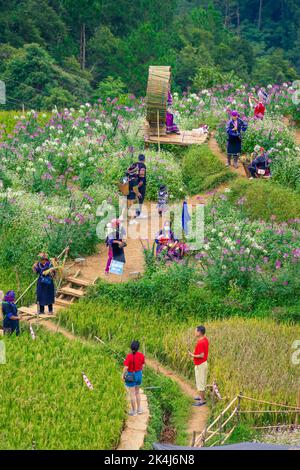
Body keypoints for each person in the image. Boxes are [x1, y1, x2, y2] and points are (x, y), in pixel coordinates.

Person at [122, 340, 145, 416]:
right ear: (138, 348)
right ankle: (139, 409)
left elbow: (126, 367)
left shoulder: (129, 356)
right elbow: (143, 366)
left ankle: (133, 411)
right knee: (137, 392)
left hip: (131, 375)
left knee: (132, 394)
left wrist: (123, 375)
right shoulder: (141, 355)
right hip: (139, 374)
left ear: (131, 347)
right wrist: (140, 372)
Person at [188, 325, 209, 406]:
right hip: (204, 363)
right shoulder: (205, 339)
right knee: (202, 381)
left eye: (196, 331)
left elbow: (201, 355)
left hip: (200, 364)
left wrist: (192, 355)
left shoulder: (200, 342)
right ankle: (201, 397)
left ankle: (202, 400)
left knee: (200, 382)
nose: (195, 332)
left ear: (199, 332)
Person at [135, 154, 147, 219]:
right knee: (140, 200)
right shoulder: (143, 166)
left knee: (136, 199)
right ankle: (138, 214)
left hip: (134, 184)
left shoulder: (135, 165)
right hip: (141, 186)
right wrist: (138, 186)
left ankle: (137, 213)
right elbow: (142, 179)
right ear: (144, 159)